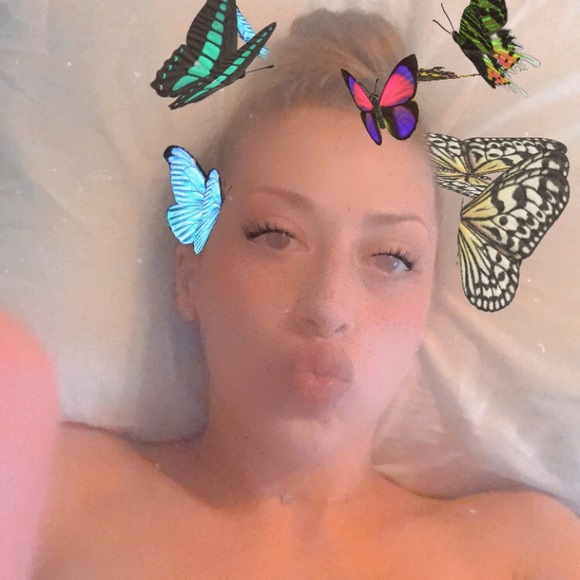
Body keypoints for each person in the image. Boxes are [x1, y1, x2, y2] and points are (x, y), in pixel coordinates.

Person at [31, 8, 579, 578]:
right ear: (189, 275)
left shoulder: (529, 555)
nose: (328, 307)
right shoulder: (50, 489)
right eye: (276, 235)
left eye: (392, 258)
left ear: (426, 310)